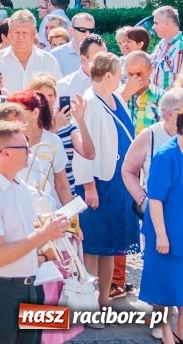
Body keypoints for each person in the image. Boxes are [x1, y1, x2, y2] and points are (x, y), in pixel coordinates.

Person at [0, 121, 68, 344]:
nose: (30, 152)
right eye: (24, 147)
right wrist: (44, 236)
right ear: (6, 153)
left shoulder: (20, 188)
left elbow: (23, 240)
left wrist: (49, 244)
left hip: (28, 288)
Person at [72, 52, 140, 310]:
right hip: (98, 185)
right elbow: (84, 150)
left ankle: (103, 302)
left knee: (111, 246)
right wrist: (89, 186)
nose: (122, 78)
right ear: (108, 75)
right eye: (119, 73)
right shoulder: (89, 103)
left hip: (117, 184)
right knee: (93, 246)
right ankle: (88, 305)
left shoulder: (114, 98)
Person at [138, 121, 183, 344]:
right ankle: (166, 334)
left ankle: (180, 332)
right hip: (164, 232)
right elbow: (155, 199)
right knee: (163, 286)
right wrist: (162, 235)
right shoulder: (166, 156)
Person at [8, 90, 74, 206]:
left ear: (35, 113)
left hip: (48, 210)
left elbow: (62, 185)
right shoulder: (6, 141)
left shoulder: (53, 141)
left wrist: (72, 217)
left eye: (18, 112)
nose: (12, 117)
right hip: (18, 209)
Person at [0, 10, 61, 93]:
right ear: (9, 33)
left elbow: (58, 92)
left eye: (25, 32)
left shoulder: (49, 61)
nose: (20, 37)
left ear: (34, 33)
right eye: (16, 32)